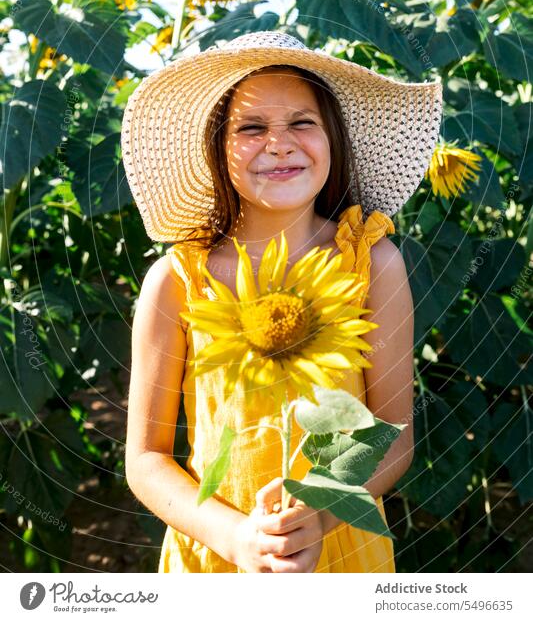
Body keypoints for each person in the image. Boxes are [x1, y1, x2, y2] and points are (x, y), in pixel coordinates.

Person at [121, 30, 442, 573]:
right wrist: (236, 538)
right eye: (250, 127)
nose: (279, 142)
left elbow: (393, 432)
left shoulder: (371, 265)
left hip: (339, 545)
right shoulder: (178, 280)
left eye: (301, 122)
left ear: (333, 139)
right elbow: (146, 458)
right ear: (216, 151)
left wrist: (317, 515)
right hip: (217, 553)